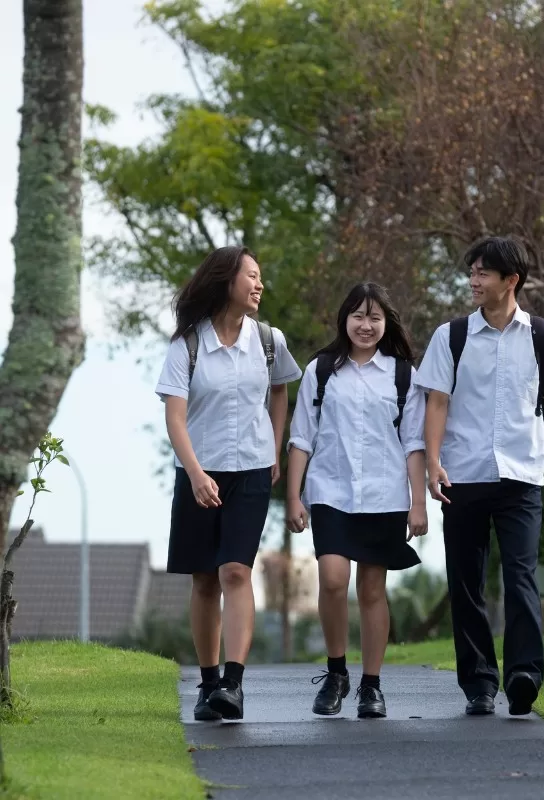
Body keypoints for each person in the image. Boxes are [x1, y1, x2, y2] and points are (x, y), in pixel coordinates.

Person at [413, 235, 544, 717]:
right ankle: (480, 683)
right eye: (473, 272)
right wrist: (433, 463)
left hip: (523, 476)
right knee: (465, 581)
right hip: (462, 475)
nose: (474, 281)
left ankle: (525, 674)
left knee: (520, 575)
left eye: (483, 273)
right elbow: (436, 403)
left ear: (512, 281)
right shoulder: (451, 337)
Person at [156, 246, 301, 722]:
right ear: (226, 281)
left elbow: (280, 389)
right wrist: (196, 474)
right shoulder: (188, 345)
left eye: (261, 278)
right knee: (203, 580)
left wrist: (275, 447)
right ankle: (208, 682)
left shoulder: (268, 340)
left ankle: (233, 687)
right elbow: (175, 418)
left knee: (235, 572)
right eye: (252, 277)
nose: (259, 286)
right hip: (199, 473)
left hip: (253, 472)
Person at [286, 282, 428, 719]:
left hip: (385, 494)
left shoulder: (404, 374)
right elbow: (300, 437)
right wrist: (294, 495)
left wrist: (418, 502)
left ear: (387, 324)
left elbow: (414, 443)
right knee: (331, 578)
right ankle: (336, 672)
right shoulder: (322, 371)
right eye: (358, 316)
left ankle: (372, 685)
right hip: (330, 489)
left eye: (375, 318)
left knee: (371, 588)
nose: (366, 326)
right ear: (344, 319)